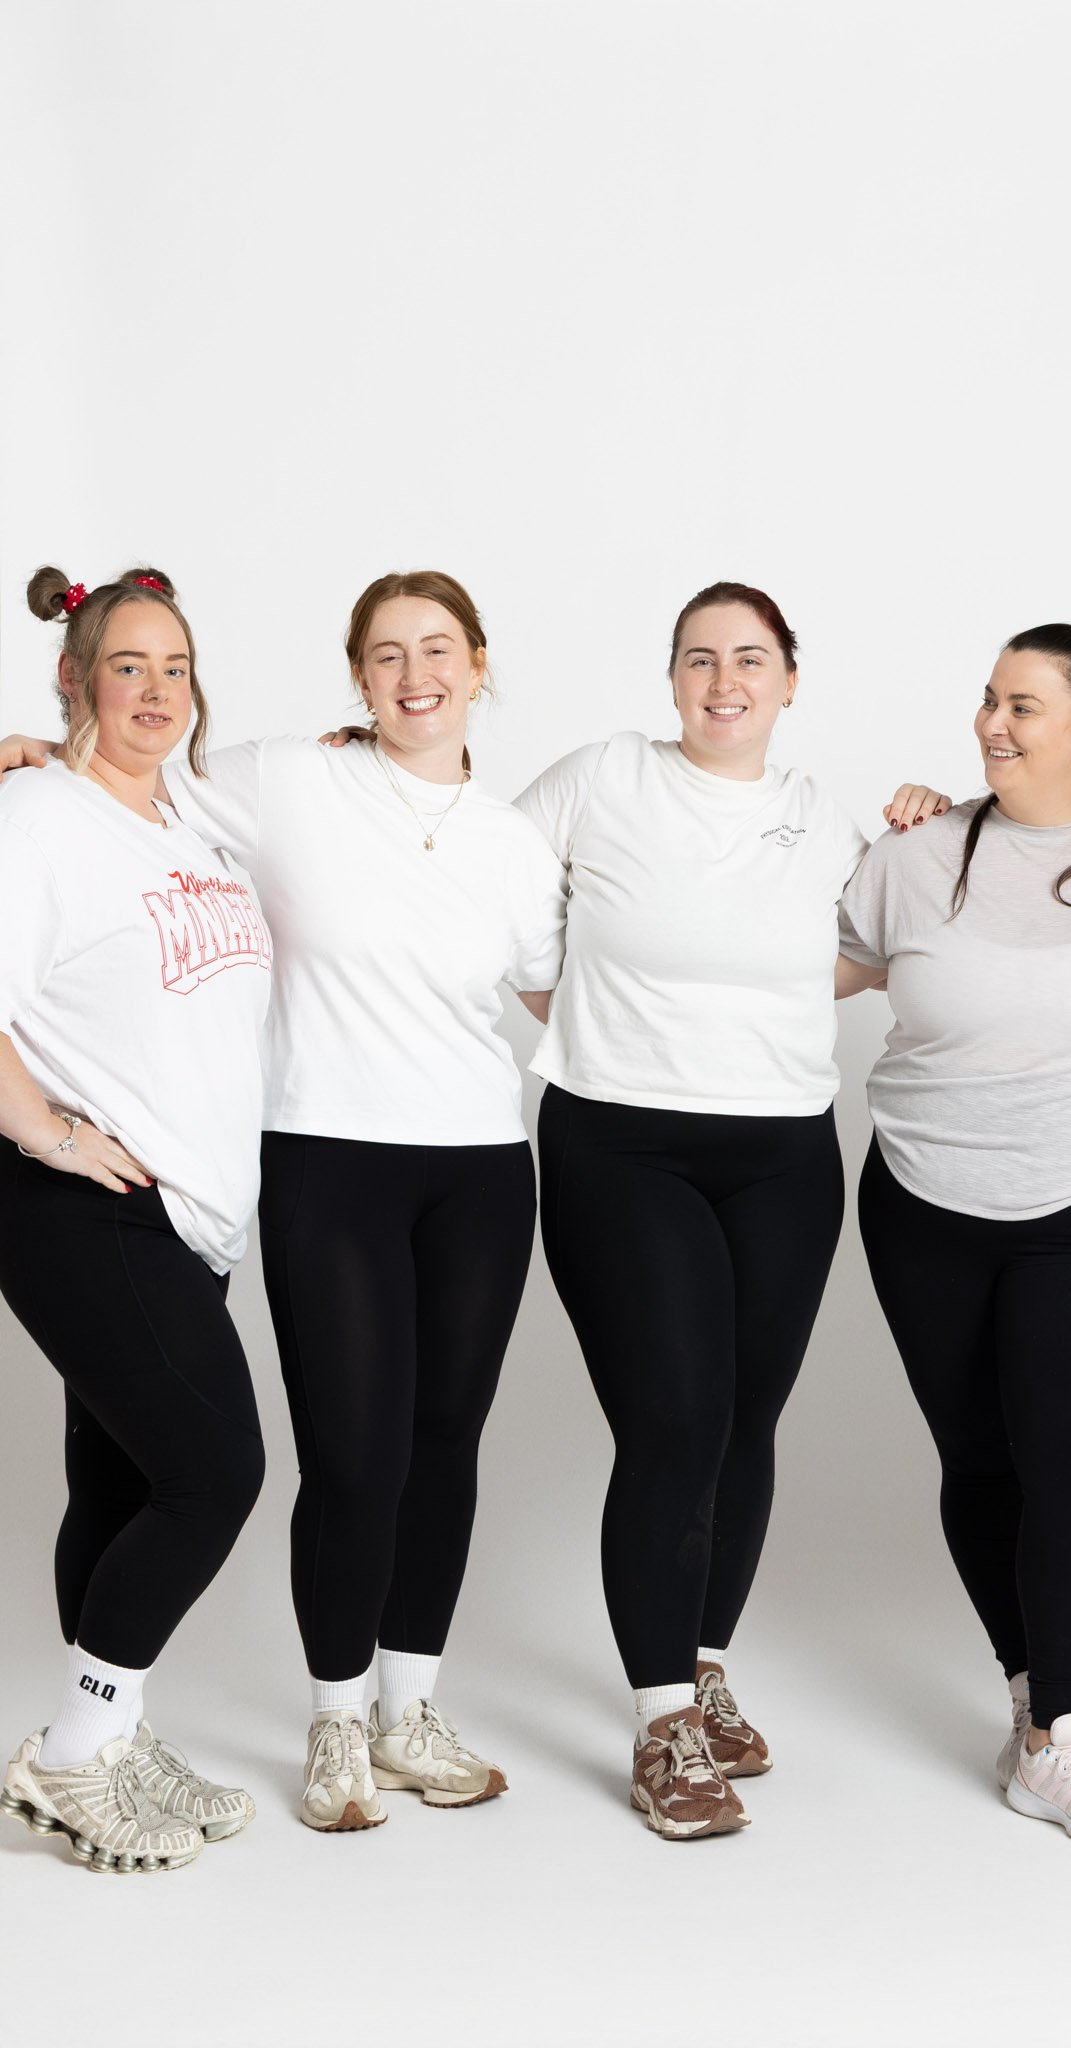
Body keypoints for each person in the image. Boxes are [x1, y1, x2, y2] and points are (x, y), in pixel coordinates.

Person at [513, 581, 941, 1839]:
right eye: (699, 659)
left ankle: (700, 1665)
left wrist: (922, 831)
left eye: (749, 659)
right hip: (619, 1142)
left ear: (789, 680)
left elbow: (879, 945)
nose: (723, 681)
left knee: (745, 1418)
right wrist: (583, 1012)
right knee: (676, 1417)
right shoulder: (602, 776)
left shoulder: (824, 820)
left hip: (784, 1151)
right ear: (672, 678)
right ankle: (661, 1725)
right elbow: (477, 878)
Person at [158, 570, 567, 1830]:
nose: (413, 674)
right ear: (358, 676)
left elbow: (560, 994)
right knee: (354, 1450)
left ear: (479, 664)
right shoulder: (292, 777)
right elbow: (138, 774)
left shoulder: (512, 840)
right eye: (386, 653)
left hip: (481, 1167)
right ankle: (336, 1719)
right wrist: (31, 754)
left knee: (443, 1442)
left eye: (437, 648)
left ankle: (409, 1710)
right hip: (328, 1155)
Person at [841, 623, 1071, 1844]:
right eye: (989, 699)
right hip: (922, 1200)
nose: (992, 723)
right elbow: (782, 971)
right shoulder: (916, 854)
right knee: (982, 1460)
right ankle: (1032, 1710)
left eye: (1023, 706)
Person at [0, 567, 270, 1874]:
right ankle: (69, 1753)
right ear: (75, 678)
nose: (157, 691)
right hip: (83, 1200)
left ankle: (107, 1735)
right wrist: (46, 1132)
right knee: (215, 1472)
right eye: (128, 666)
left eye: (176, 667)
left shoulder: (186, 818)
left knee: (118, 1478)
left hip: (187, 1213)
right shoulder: (40, 816)